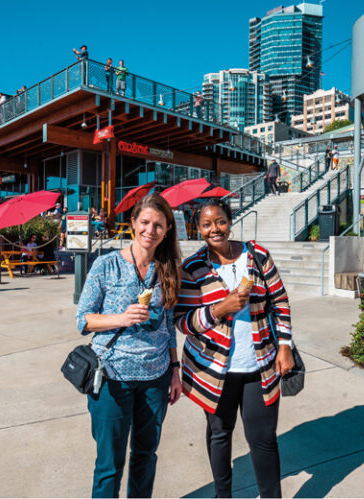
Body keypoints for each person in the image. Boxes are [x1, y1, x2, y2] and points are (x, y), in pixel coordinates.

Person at [175, 198, 294, 498]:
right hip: (213, 370)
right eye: (206, 224)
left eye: (220, 221)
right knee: (219, 434)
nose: (214, 229)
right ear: (198, 229)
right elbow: (184, 322)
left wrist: (285, 345)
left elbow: (279, 301)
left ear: (230, 221)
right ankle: (222, 495)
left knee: (263, 439)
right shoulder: (193, 268)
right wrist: (219, 309)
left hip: (260, 365)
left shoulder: (256, 255)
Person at [76, 193, 182, 497]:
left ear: (167, 229)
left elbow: (169, 325)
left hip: (155, 379)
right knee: (109, 464)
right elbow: (83, 320)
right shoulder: (106, 265)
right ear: (133, 222)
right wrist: (120, 318)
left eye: (159, 225)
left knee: (145, 457)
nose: (151, 230)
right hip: (111, 379)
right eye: (145, 222)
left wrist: (175, 370)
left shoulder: (167, 268)